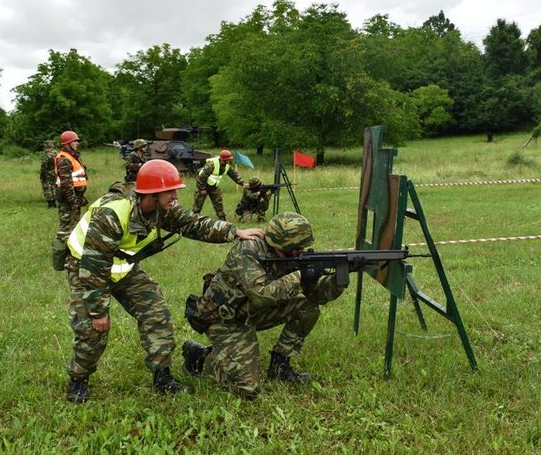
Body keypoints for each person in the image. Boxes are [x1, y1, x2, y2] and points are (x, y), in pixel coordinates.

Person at [63, 159, 264, 403]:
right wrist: (98, 312)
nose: (175, 197)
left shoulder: (164, 209)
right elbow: (95, 266)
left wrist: (234, 232)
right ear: (152, 194)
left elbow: (193, 223)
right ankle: (78, 380)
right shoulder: (112, 213)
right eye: (170, 192)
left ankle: (162, 377)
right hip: (86, 269)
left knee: (156, 313)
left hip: (123, 269)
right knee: (91, 331)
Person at [182, 212, 347, 400]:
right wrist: (300, 276)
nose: (299, 252)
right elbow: (260, 296)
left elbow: (317, 296)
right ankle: (200, 357)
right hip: (225, 320)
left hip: (252, 313)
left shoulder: (289, 256)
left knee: (306, 306)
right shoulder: (247, 251)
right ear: (279, 244)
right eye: (296, 248)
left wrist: (338, 280)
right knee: (248, 389)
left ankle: (280, 367)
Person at [192, 150, 246, 221]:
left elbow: (234, 175)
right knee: (198, 205)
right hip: (203, 186)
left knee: (218, 203)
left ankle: (222, 220)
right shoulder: (211, 165)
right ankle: (193, 220)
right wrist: (202, 189)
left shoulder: (227, 166)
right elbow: (201, 178)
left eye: (229, 160)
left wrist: (243, 183)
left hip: (213, 186)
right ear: (223, 160)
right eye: (228, 160)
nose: (229, 161)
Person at [53, 130, 87, 242]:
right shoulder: (64, 159)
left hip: (75, 197)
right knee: (66, 228)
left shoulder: (73, 156)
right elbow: (66, 184)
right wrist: (73, 201)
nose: (77, 143)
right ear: (67, 144)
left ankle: (72, 252)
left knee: (75, 227)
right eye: (74, 141)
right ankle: (61, 253)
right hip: (68, 199)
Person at [39, 140, 57, 208]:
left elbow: (44, 167)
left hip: (48, 174)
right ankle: (55, 203)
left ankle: (51, 204)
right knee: (54, 188)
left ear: (46, 147)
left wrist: (42, 177)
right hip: (55, 174)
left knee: (47, 189)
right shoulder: (56, 154)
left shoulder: (47, 156)